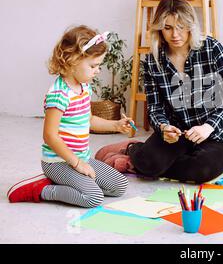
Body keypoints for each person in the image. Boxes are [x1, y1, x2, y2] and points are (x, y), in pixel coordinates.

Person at [97, 0, 223, 184]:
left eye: (181, 26)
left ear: (190, 25)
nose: (175, 34)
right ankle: (134, 150)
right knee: (149, 162)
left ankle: (136, 161)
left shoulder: (212, 48)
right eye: (168, 28)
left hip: (212, 135)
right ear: (159, 29)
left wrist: (209, 126)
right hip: (175, 136)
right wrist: (164, 128)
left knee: (202, 170)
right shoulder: (152, 60)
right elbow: (155, 108)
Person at [7, 25, 130, 207]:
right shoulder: (59, 94)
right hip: (58, 162)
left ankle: (74, 182)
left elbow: (89, 120)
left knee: (120, 186)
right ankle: (42, 189)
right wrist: (77, 164)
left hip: (82, 157)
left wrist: (116, 125)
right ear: (72, 61)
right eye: (93, 66)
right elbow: (50, 136)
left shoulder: (84, 87)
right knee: (94, 198)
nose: (97, 71)